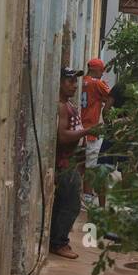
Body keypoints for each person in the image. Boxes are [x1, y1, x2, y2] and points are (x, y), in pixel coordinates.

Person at [50, 68, 94, 260]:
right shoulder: (61, 107)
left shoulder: (68, 104)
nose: (74, 85)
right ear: (60, 82)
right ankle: (59, 243)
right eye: (70, 81)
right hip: (65, 163)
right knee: (70, 205)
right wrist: (87, 132)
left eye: (75, 82)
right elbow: (62, 136)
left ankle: (58, 240)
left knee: (65, 204)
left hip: (72, 162)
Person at [81, 58, 112, 207]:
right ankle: (87, 196)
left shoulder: (84, 81)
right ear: (95, 69)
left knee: (86, 163)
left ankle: (87, 194)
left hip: (84, 126)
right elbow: (111, 97)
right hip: (93, 129)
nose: (102, 73)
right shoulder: (96, 83)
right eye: (101, 70)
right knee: (92, 165)